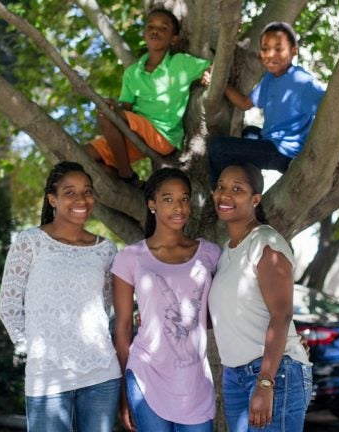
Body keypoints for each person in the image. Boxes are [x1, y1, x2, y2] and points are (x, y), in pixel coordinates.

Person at [0, 161, 121, 432]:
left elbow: (106, 307)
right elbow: (8, 305)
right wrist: (33, 350)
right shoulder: (30, 242)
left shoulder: (106, 250)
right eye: (70, 192)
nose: (81, 199)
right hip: (48, 375)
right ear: (52, 199)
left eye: (87, 191)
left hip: (101, 373)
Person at [112, 167, 221, 431]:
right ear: (152, 204)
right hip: (146, 374)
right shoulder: (130, 257)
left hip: (195, 381)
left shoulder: (210, 253)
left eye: (184, 198)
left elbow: (225, 311)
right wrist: (124, 394)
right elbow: (124, 327)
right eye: (168, 199)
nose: (179, 207)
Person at [208, 163, 313, 431]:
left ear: (256, 199)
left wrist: (266, 382)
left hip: (272, 373)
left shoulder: (266, 243)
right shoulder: (227, 252)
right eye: (220, 187)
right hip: (234, 374)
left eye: (237, 189)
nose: (225, 194)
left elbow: (282, 314)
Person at [85, 8, 211, 187]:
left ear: (174, 39)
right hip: (136, 134)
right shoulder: (132, 73)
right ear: (144, 33)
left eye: (163, 28)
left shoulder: (181, 63)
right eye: (150, 26)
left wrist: (208, 75)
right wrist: (114, 107)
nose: (155, 30)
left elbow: (213, 68)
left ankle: (126, 174)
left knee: (106, 115)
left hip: (162, 135)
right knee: (84, 157)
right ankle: (133, 184)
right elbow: (125, 109)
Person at [207, 21, 326, 187]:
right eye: (265, 49)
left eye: (278, 49)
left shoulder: (301, 81)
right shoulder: (271, 78)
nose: (270, 54)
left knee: (218, 147)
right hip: (270, 141)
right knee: (250, 132)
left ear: (293, 51)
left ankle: (221, 193)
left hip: (284, 152)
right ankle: (249, 186)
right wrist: (218, 84)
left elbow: (329, 112)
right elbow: (244, 103)